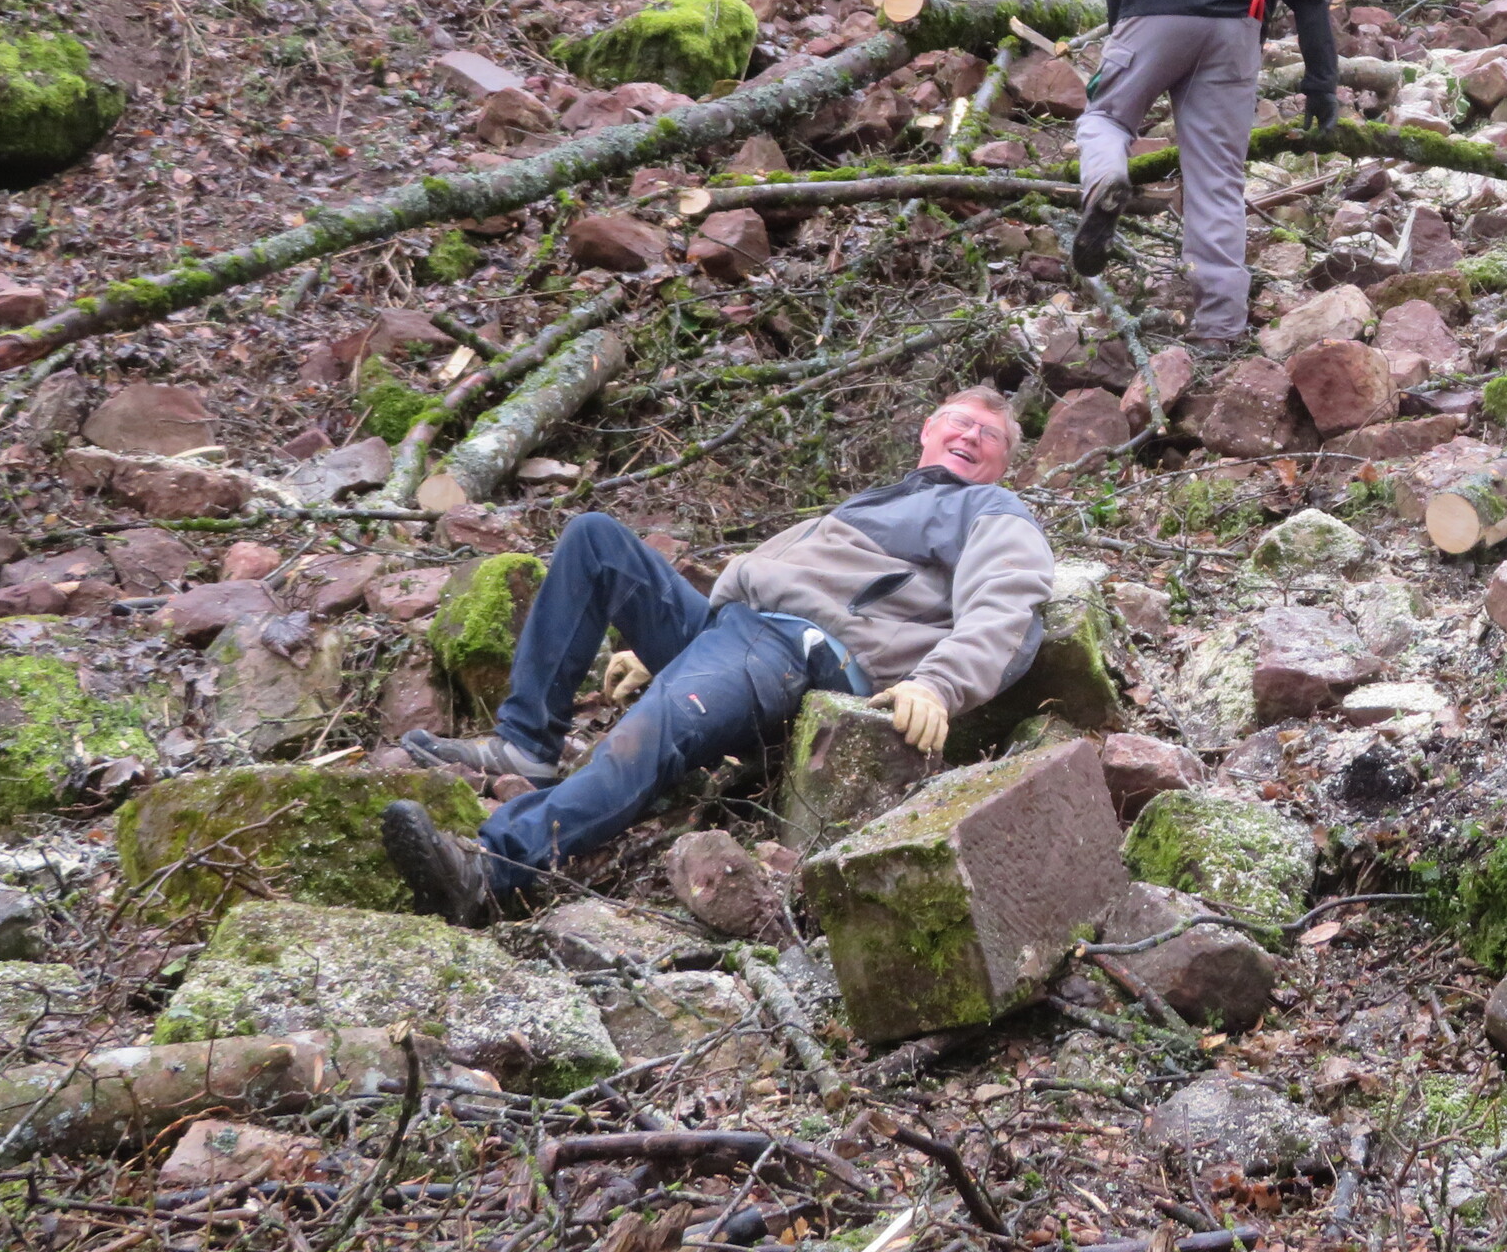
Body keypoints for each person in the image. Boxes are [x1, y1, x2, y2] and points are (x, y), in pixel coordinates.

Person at [382, 386, 1053, 925]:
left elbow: (1009, 604)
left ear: (1003, 464)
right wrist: (675, 648)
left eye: (988, 435)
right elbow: (762, 581)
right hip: (733, 628)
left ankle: (493, 866)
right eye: (958, 421)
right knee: (594, 539)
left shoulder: (989, 509)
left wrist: (938, 684)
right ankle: (526, 745)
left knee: (659, 723)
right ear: (927, 431)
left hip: (797, 649)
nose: (970, 436)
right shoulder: (873, 504)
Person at [1072, 0, 1337, 350]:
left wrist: (1122, 25)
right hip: (1238, 24)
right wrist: (1321, 83)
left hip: (1156, 10)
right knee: (1216, 178)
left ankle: (1105, 180)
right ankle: (1219, 330)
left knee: (1106, 119)